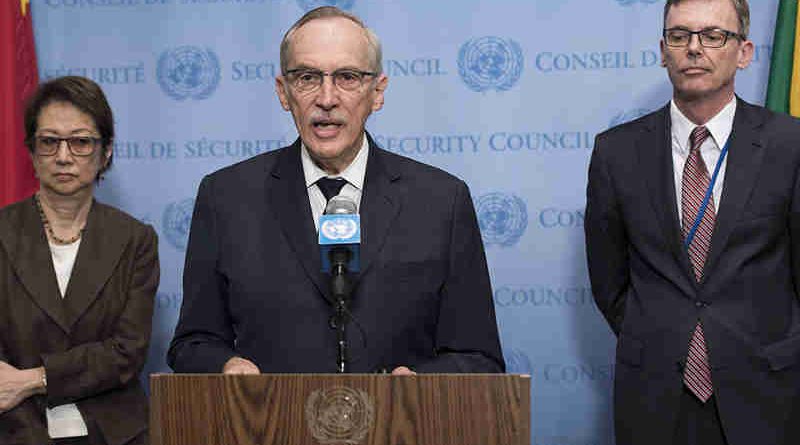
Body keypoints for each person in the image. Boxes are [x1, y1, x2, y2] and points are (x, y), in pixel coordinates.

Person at [168, 6, 503, 376]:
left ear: (377, 91)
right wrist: (228, 365)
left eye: (347, 77)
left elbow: (478, 356)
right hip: (273, 426)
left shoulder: (442, 201)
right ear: (283, 92)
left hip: (398, 428)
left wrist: (419, 384)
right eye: (307, 77)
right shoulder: (226, 197)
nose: (327, 98)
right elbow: (192, 344)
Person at [585, 1, 800, 444]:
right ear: (664, 51)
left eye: (713, 35)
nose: (695, 48)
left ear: (744, 52)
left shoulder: (790, 145)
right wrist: (663, 332)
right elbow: (610, 283)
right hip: (655, 393)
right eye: (680, 36)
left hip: (767, 393)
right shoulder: (616, 152)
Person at [0, 76, 160, 445]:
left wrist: (32, 379)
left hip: (113, 431)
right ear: (31, 151)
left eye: (80, 142)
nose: (63, 156)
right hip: (15, 428)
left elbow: (127, 352)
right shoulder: (3, 233)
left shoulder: (135, 240)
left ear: (105, 153)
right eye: (50, 142)